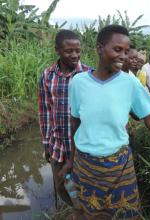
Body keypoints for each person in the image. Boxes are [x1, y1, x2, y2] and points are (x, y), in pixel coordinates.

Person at [68, 25, 150, 220]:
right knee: (91, 213)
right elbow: (75, 121)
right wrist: (71, 158)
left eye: (126, 52)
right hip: (86, 165)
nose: (123, 56)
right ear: (99, 48)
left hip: (119, 166)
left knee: (126, 214)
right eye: (117, 49)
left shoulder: (130, 83)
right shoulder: (78, 82)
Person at [38, 29, 91, 207]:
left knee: (85, 185)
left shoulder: (88, 75)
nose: (75, 55)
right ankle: (75, 208)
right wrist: (46, 144)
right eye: (69, 51)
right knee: (62, 186)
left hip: (83, 145)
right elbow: (45, 112)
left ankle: (85, 212)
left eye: (78, 50)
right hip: (58, 144)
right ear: (57, 50)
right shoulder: (47, 76)